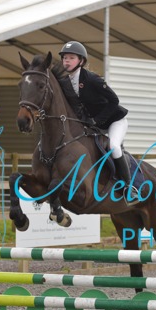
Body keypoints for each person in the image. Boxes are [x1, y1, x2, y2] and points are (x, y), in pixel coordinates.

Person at [58, 41, 140, 205]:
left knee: (113, 146)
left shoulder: (92, 79)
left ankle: (128, 187)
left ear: (81, 61)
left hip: (113, 121)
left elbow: (114, 100)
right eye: (65, 58)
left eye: (71, 58)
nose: (67, 61)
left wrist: (97, 120)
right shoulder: (65, 83)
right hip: (91, 125)